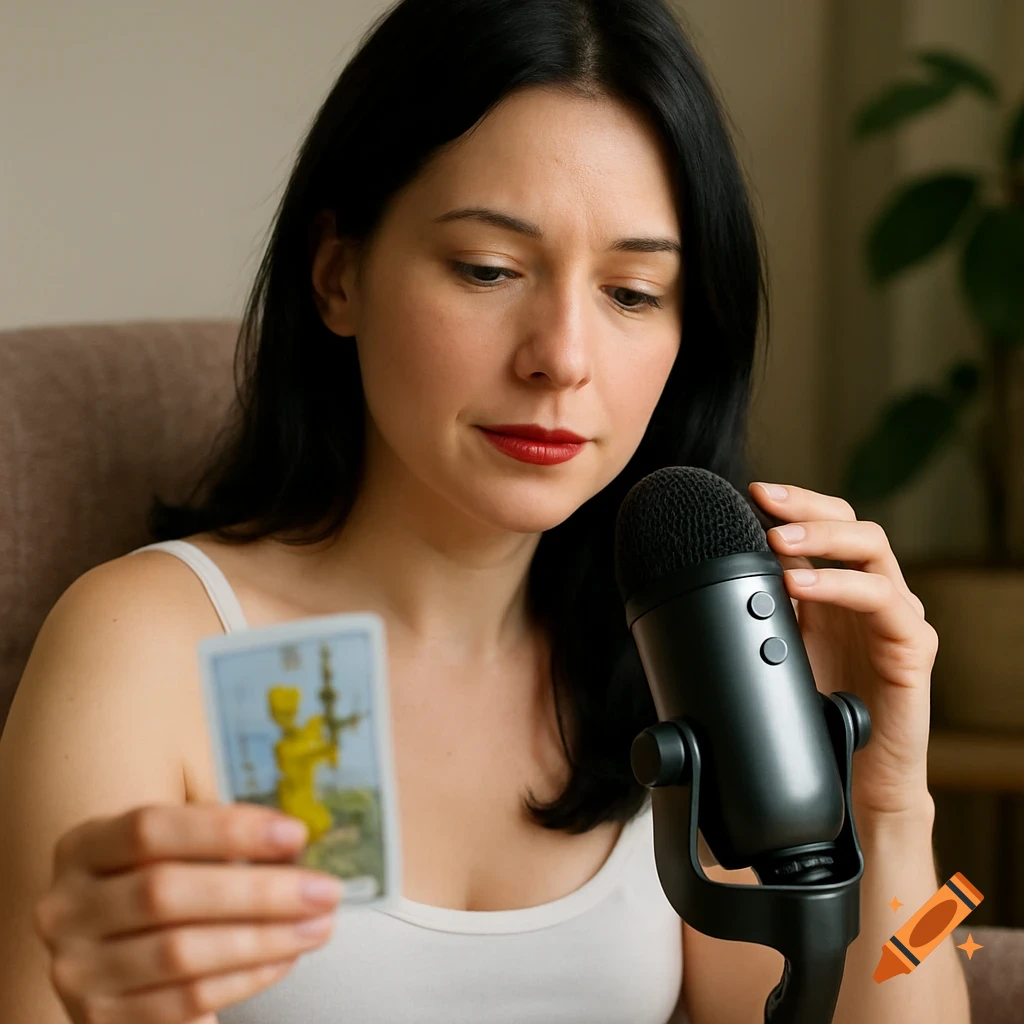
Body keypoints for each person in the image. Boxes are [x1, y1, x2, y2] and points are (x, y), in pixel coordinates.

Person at [0, 1, 966, 1022]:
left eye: (632, 292)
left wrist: (893, 810)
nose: (562, 355)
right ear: (337, 274)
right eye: (488, 269)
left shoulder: (680, 651)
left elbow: (847, 986)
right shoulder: (158, 643)